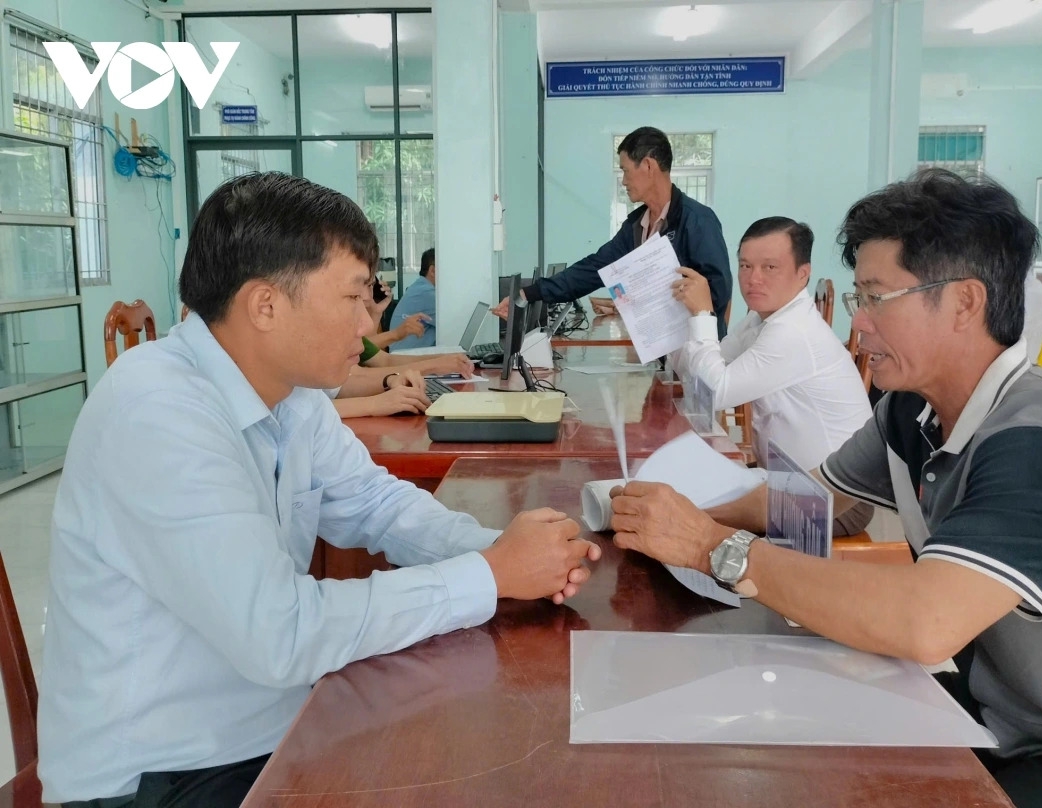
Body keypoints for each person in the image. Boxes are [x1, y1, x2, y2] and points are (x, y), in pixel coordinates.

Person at [609, 169, 1042, 808]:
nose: (859, 325)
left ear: (965, 303)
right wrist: (676, 520)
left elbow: (925, 624)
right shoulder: (911, 409)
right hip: (1005, 714)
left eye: (877, 298)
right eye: (858, 298)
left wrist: (711, 548)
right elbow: (811, 500)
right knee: (771, 731)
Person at [38, 172, 602, 808]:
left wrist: (503, 551)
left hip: (264, 724)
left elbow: (375, 504)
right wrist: (489, 576)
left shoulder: (290, 393)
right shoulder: (156, 411)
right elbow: (280, 635)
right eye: (355, 297)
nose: (367, 323)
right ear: (266, 306)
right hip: (162, 773)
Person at [669, 216, 874, 535]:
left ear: (803, 273)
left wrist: (703, 315)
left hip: (836, 499)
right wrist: (673, 320)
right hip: (787, 479)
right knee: (682, 491)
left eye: (770, 267)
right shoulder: (761, 319)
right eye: (745, 266)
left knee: (688, 514)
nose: (753, 279)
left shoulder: (793, 332)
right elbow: (698, 375)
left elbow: (715, 392)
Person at [492, 126, 734, 337]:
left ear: (648, 165)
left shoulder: (697, 221)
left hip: (698, 352)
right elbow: (593, 269)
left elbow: (718, 294)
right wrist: (529, 293)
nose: (624, 181)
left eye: (625, 170)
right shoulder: (636, 226)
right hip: (664, 354)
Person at [387, 247, 438, 351]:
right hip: (403, 356)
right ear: (432, 271)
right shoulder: (426, 293)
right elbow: (452, 323)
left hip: (402, 352)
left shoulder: (420, 287)